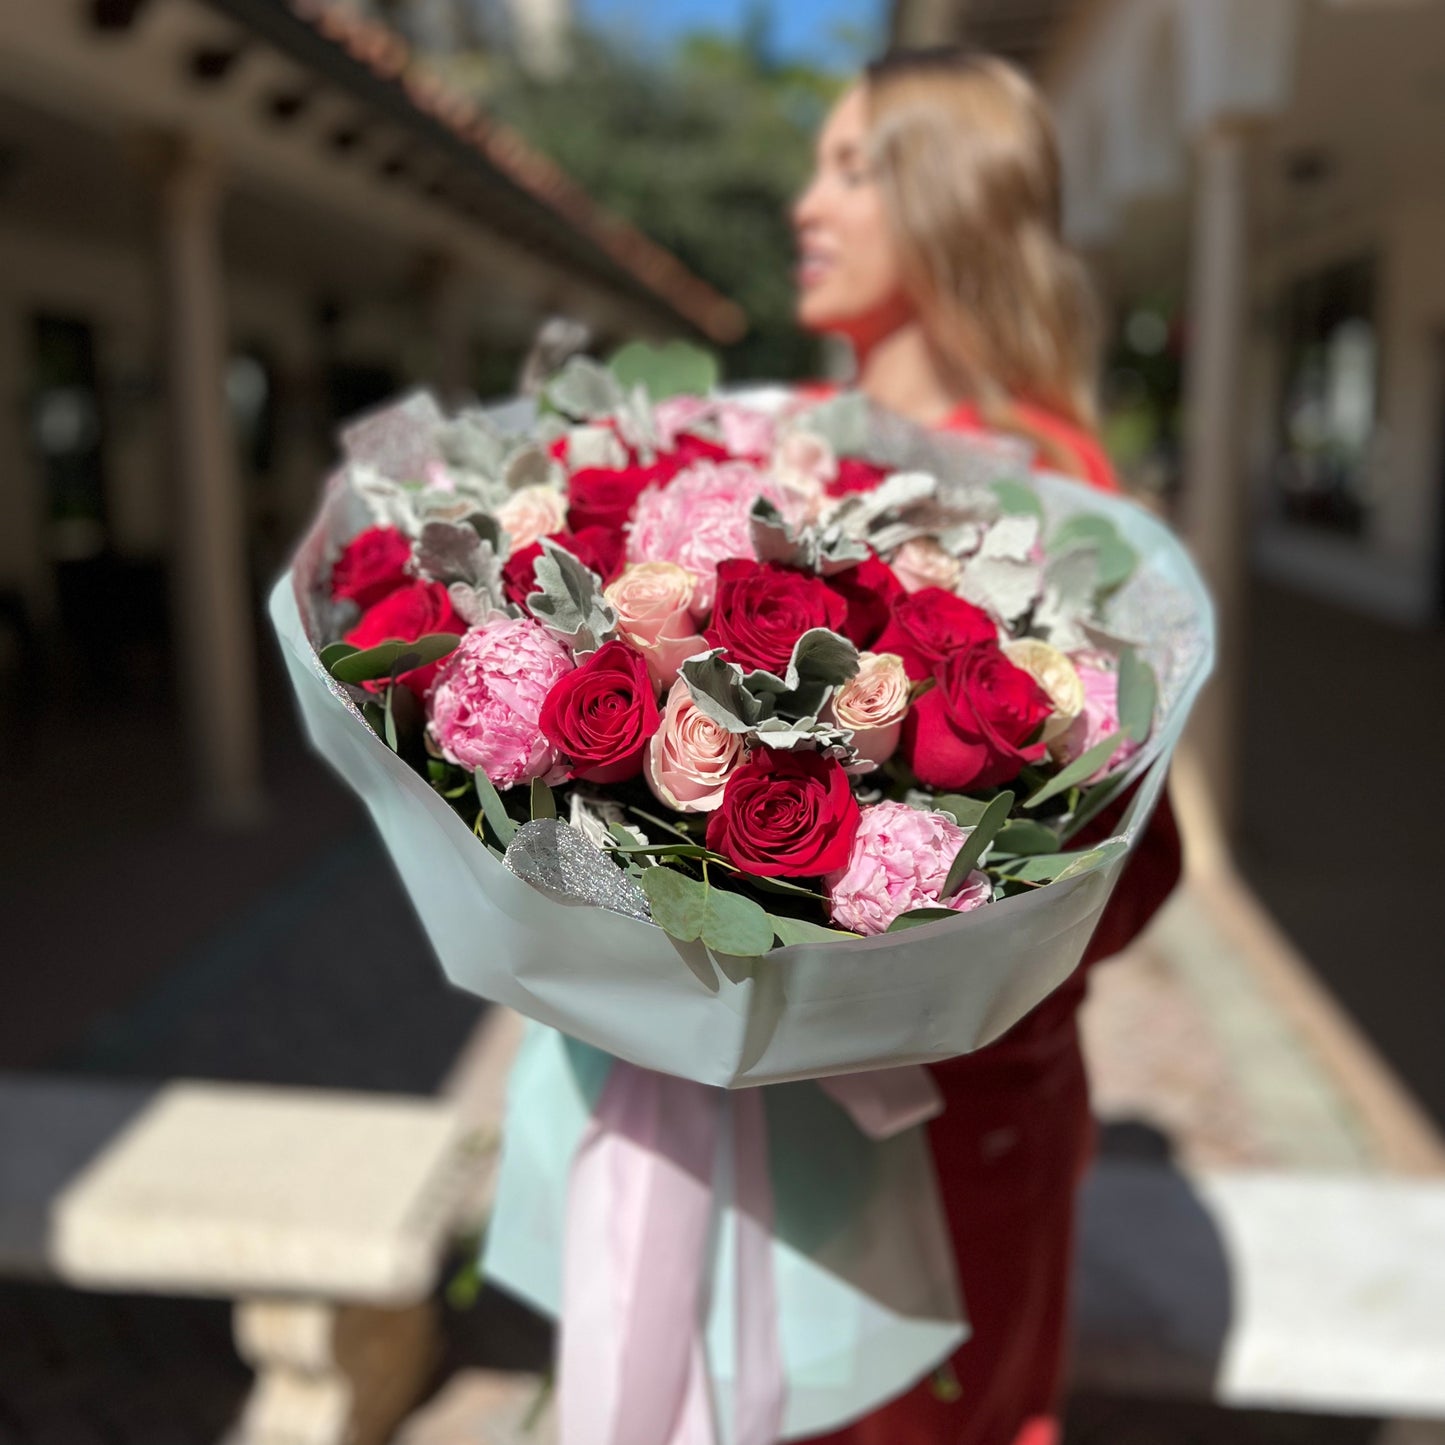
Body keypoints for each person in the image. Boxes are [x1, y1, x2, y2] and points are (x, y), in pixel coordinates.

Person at [791, 48, 1182, 1445]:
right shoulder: (781, 460)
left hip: (959, 1124)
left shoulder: (1046, 486)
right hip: (771, 1117)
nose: (804, 202)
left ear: (946, 197)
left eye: (851, 168)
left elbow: (1136, 869)